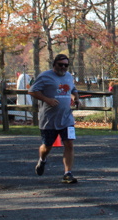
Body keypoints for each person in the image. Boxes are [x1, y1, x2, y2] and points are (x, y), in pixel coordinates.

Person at [30, 54, 80, 184]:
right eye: (60, 64)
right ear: (54, 64)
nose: (63, 67)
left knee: (69, 143)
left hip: (66, 118)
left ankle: (67, 174)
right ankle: (42, 160)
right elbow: (32, 91)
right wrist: (47, 100)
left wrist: (76, 98)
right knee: (47, 146)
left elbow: (73, 89)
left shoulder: (68, 76)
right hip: (49, 119)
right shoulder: (45, 76)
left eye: (65, 65)